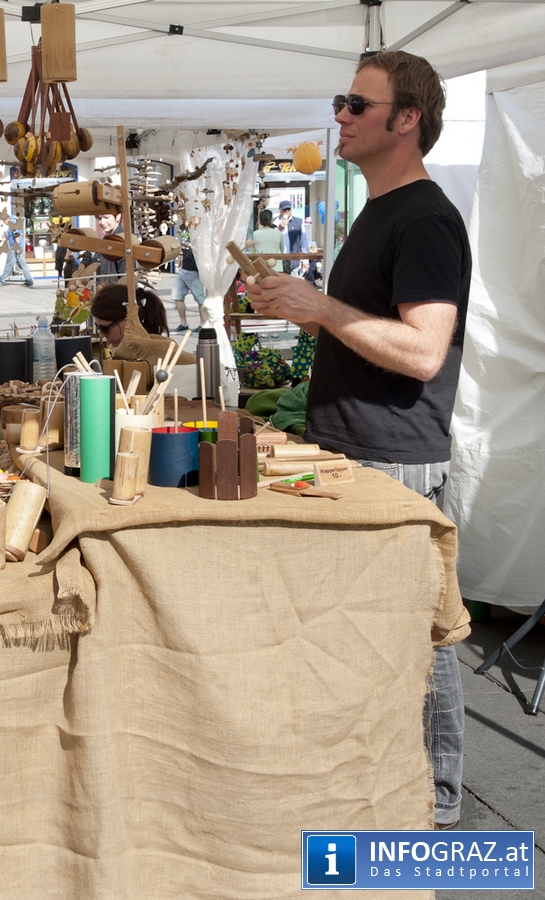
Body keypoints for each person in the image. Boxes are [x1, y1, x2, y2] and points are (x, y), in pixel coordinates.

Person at [247, 50, 468, 830]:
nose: (339, 115)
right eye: (341, 101)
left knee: (418, 633)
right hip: (353, 448)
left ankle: (438, 794)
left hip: (394, 459)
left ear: (407, 120)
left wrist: (323, 308)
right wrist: (307, 309)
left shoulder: (426, 219)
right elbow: (364, 331)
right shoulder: (380, 210)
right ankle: (380, 777)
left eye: (357, 104)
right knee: (365, 630)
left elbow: (424, 352)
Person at [90, 282, 195, 369]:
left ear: (129, 319)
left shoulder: (162, 352)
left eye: (104, 328)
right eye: (98, 328)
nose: (101, 335)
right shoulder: (119, 351)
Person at [171, 229, 205, 333]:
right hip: (183, 269)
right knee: (177, 295)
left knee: (200, 299)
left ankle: (203, 324)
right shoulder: (183, 229)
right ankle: (183, 324)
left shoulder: (199, 231)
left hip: (193, 271)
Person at [0, 217, 34, 287]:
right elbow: (10, 236)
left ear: (7, 219)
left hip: (15, 247)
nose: (3, 222)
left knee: (9, 264)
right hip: (19, 247)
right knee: (23, 264)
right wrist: (1, 240)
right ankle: (29, 281)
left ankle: (0, 280)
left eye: (4, 221)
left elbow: (16, 236)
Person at [277, 200, 304, 273]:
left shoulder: (298, 222)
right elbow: (270, 238)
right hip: (278, 260)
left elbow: (303, 241)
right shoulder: (274, 222)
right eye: (284, 210)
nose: (287, 211)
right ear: (280, 210)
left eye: (288, 209)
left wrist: (306, 260)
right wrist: (279, 227)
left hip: (293, 259)